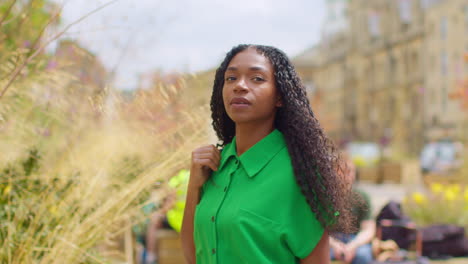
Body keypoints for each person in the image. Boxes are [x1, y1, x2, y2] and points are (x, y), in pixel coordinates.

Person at [181, 44, 355, 264]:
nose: (240, 86)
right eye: (231, 78)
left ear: (279, 97)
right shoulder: (214, 166)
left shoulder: (301, 175)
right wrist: (193, 186)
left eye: (257, 78)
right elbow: (192, 256)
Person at [329, 153, 375, 264]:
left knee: (363, 256)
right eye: (342, 170)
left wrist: (353, 246)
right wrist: (334, 245)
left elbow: (368, 230)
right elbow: (319, 231)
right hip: (330, 241)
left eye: (350, 171)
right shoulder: (324, 197)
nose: (346, 175)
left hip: (355, 240)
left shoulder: (362, 197)